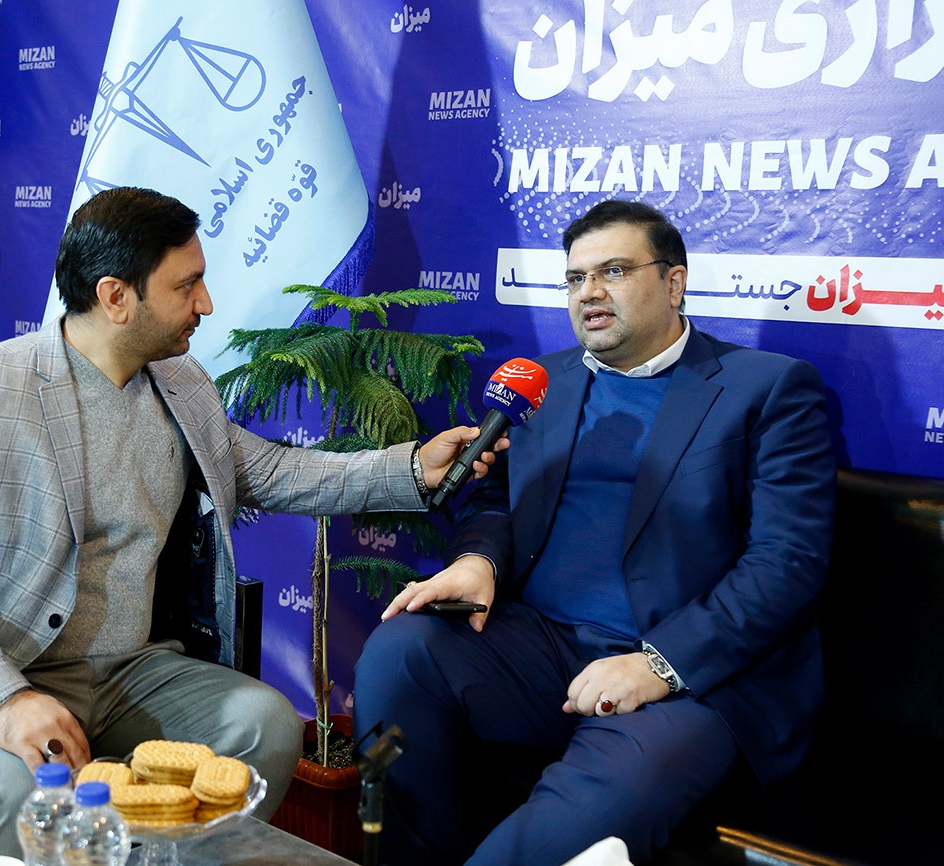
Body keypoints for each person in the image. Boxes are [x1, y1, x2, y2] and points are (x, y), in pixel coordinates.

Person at [0, 186, 505, 857]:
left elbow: (272, 471)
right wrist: (2, 700)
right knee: (27, 791)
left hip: (127, 672)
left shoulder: (182, 383)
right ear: (115, 297)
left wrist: (413, 469)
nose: (207, 303)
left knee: (265, 724)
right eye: (186, 285)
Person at [353, 200, 836, 865]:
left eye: (613, 271)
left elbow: (787, 561)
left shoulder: (768, 389)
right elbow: (494, 501)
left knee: (575, 822)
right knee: (401, 650)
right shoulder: (543, 383)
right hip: (542, 646)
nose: (590, 292)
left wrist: (659, 664)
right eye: (576, 278)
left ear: (673, 282)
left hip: (690, 675)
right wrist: (478, 562)